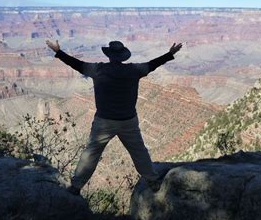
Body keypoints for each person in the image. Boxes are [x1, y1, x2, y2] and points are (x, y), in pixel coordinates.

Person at [46, 39, 183, 194]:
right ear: (124, 56)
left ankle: (76, 186)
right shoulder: (134, 70)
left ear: (109, 55)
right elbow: (153, 64)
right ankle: (152, 180)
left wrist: (58, 52)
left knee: (91, 152)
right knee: (139, 151)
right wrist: (170, 54)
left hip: (103, 122)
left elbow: (76, 64)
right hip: (128, 121)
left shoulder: (97, 69)